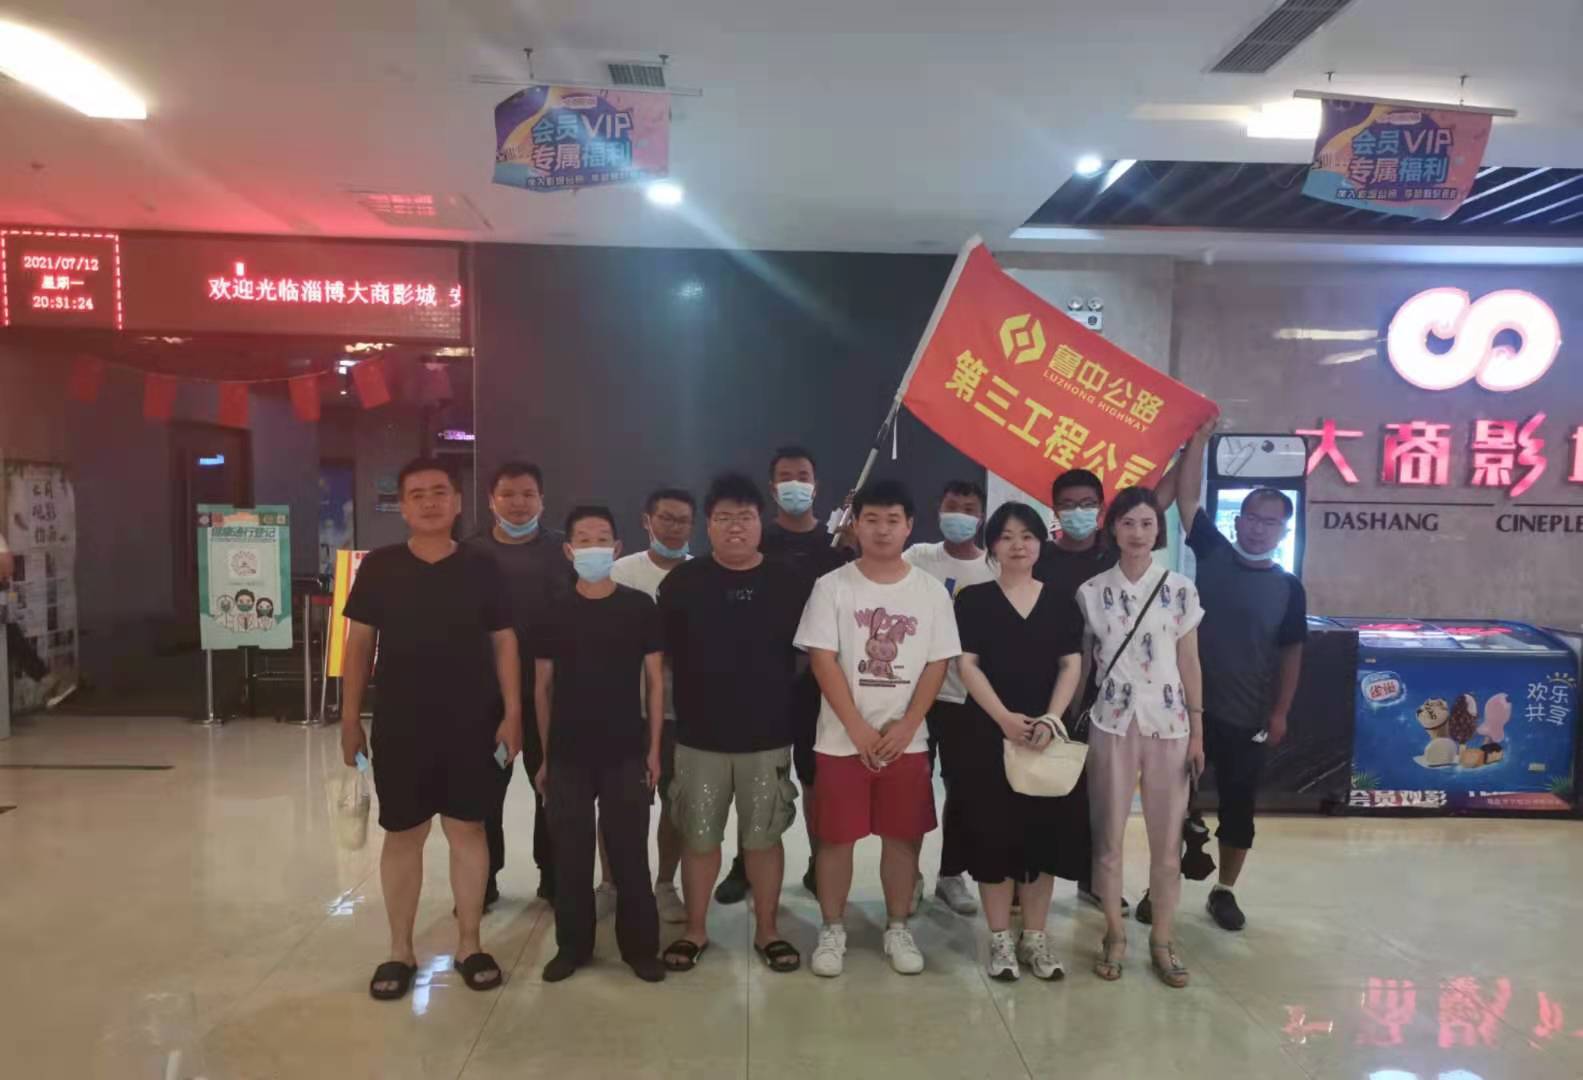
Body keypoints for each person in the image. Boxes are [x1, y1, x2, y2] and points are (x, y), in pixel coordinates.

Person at [339, 458, 522, 1002]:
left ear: (458, 502)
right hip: (401, 722)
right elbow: (358, 645)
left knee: (469, 829)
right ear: (402, 506)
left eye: (439, 492)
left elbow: (505, 642)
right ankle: (399, 949)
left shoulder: (483, 566)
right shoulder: (380, 567)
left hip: (473, 721)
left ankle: (470, 943)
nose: (429, 502)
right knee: (404, 834)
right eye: (416, 494)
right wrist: (349, 719)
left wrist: (513, 713)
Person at [795, 479, 961, 978]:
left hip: (907, 742)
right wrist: (857, 729)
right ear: (856, 525)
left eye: (893, 520)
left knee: (902, 839)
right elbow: (822, 659)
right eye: (871, 519)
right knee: (835, 840)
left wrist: (909, 726)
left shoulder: (929, 592)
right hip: (839, 741)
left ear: (910, 526)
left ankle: (897, 926)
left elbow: (937, 663)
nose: (882, 529)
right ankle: (832, 928)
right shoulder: (832, 586)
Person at [1151, 420, 1307, 931]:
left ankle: (1225, 891)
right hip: (1187, 709)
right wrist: (1197, 440)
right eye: (1252, 518)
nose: (1259, 528)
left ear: (1283, 531)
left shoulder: (1288, 588)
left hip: (1247, 717)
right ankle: (1161, 887)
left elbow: (1291, 652)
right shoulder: (1214, 553)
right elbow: (1186, 500)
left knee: (1238, 809)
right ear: (1238, 521)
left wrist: (1280, 712)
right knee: (1174, 803)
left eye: (1271, 522)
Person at [658, 473, 812, 975]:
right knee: (699, 837)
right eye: (724, 518)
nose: (735, 527)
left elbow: (807, 657)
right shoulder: (682, 583)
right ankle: (695, 929)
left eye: (744, 517)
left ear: (760, 522)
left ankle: (767, 930)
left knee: (763, 838)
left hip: (768, 738)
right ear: (708, 525)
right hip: (698, 738)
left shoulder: (790, 582)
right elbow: (662, 660)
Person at [955, 501, 1090, 980]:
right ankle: (999, 940)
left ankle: (1034, 937)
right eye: (1007, 536)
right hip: (987, 733)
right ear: (992, 545)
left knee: (1042, 838)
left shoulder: (1060, 601)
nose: (1018, 545)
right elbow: (966, 663)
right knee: (993, 836)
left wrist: (1052, 719)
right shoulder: (973, 599)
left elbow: (1071, 663)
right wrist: (1003, 719)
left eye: (1028, 536)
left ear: (1040, 543)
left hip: (1045, 734)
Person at [1076, 486, 1204, 989]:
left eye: (1147, 523)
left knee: (1167, 844)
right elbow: (1083, 665)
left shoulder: (1181, 590)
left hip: (1170, 724)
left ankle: (1163, 940)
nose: (1137, 533)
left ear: (1159, 531)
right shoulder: (1091, 592)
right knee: (1107, 837)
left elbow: (1190, 661)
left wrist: (1198, 731)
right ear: (1113, 528)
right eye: (1127, 523)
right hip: (1111, 722)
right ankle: (1114, 933)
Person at [532, 505, 666, 983]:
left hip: (625, 750)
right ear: (569, 551)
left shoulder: (639, 607)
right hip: (568, 752)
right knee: (570, 856)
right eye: (584, 540)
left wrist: (653, 750)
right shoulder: (552, 609)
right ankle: (573, 947)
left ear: (617, 548)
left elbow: (655, 683)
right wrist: (545, 757)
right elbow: (542, 688)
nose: (594, 547)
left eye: (602, 539)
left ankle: (640, 948)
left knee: (630, 854)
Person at [716, 445, 851, 904]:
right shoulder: (758, 540)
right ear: (773, 489)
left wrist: (851, 550)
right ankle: (744, 864)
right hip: (760, 681)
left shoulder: (836, 547)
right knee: (754, 778)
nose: (796, 483)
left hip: (818, 683)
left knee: (816, 780)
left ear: (816, 485)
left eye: (803, 475)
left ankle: (818, 863)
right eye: (786, 476)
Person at [466, 462, 578, 910]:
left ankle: (553, 877)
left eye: (528, 494)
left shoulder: (563, 551)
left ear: (542, 501)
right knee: (484, 790)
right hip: (485, 695)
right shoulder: (470, 553)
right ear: (491, 500)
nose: (518, 503)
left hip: (550, 693)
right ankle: (483, 878)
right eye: (508, 494)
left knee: (551, 786)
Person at [1032, 468, 1131, 916]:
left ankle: (1095, 879)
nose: (1078, 512)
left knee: (1101, 793)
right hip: (1045, 684)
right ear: (1054, 509)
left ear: (1102, 508)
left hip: (1105, 693)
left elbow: (1156, 501)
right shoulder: (1040, 557)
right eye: (1068, 505)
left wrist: (1192, 445)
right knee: (1039, 785)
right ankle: (1027, 877)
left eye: (1087, 504)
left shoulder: (1115, 555)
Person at [901, 479, 997, 917]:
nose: (959, 514)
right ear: (938, 509)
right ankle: (908, 874)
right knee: (912, 788)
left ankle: (951, 874)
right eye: (952, 505)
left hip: (966, 698)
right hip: (915, 694)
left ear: (981, 516)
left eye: (969, 508)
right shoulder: (918, 557)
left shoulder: (993, 567)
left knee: (962, 790)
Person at [609, 487, 696, 926]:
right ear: (647, 520)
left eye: (683, 520)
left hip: (681, 713)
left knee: (676, 804)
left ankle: (665, 884)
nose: (674, 527)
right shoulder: (620, 572)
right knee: (621, 804)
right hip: (626, 711)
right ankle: (612, 884)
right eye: (666, 518)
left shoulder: (701, 575)